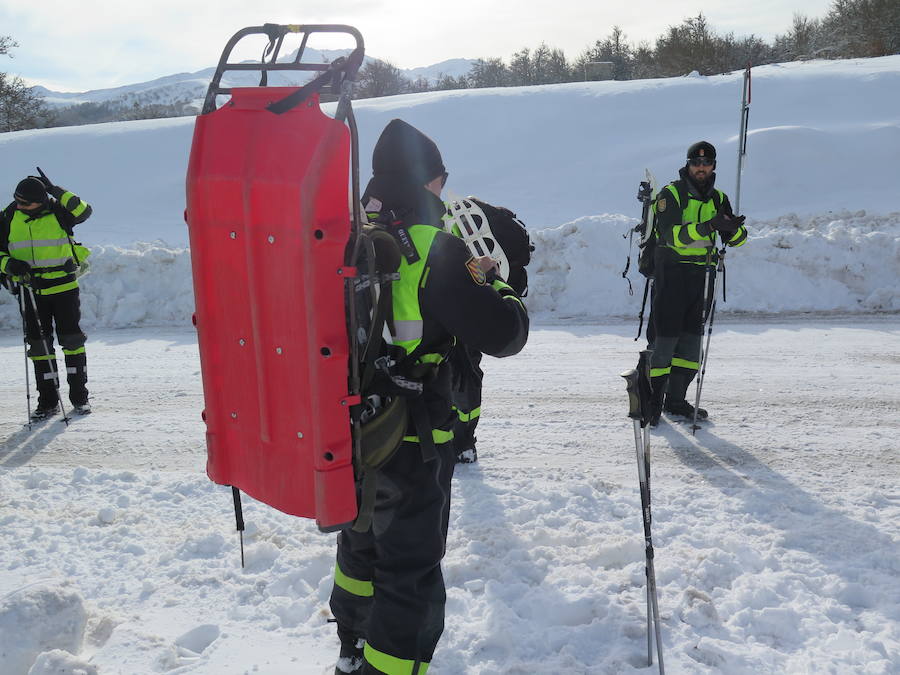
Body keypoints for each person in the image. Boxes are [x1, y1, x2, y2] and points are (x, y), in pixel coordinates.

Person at [329, 119, 529, 675]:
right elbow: (506, 334)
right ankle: (390, 667)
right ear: (428, 180)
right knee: (410, 564)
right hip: (414, 436)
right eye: (440, 180)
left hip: (352, 425)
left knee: (360, 539)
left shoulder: (343, 236)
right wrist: (495, 281)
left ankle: (351, 645)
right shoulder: (436, 247)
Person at [646, 141, 747, 426]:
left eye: (706, 163)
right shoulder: (672, 194)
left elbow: (737, 240)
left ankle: (676, 401)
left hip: (702, 276)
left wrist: (733, 228)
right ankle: (652, 400)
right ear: (688, 165)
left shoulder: (719, 198)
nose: (701, 168)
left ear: (713, 166)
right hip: (672, 273)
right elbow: (670, 235)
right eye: (696, 163)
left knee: (691, 343)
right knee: (665, 341)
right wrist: (709, 227)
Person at [445, 197, 533, 464]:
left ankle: (459, 443)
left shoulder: (452, 223)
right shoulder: (483, 221)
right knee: (469, 370)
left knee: (460, 371)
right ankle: (464, 441)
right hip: (477, 302)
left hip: (464, 299)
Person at [0, 172, 93, 418]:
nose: (19, 206)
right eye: (17, 200)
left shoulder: (60, 211)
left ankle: (79, 398)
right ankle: (48, 401)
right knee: (40, 346)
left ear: (41, 200)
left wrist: (56, 190)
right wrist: (9, 265)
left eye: (25, 203)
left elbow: (84, 211)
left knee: (72, 342)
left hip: (64, 289)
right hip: (31, 291)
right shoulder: (8, 217)